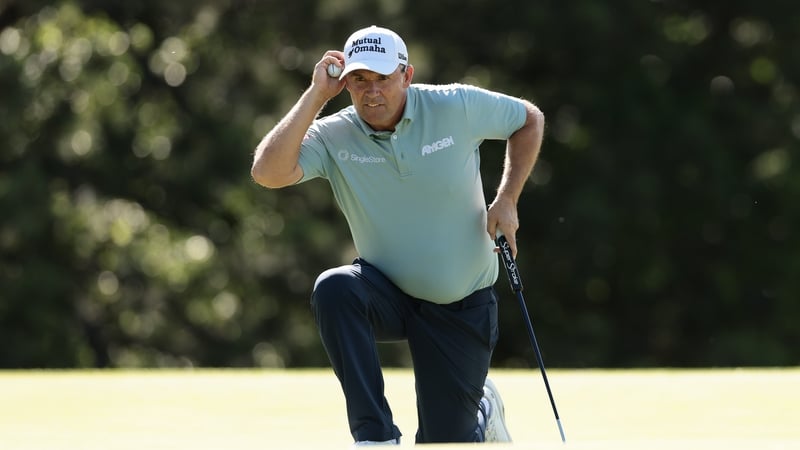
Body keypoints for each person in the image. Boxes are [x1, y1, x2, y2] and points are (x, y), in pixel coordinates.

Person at [252, 25, 545, 446]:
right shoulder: (334, 133)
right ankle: (375, 437)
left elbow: (528, 120)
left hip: (459, 305)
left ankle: (480, 411)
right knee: (334, 289)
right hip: (387, 292)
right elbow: (267, 172)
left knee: (444, 442)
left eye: (382, 79)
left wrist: (508, 198)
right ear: (346, 82)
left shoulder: (454, 105)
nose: (371, 92)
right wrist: (317, 95)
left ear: (406, 75)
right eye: (359, 80)